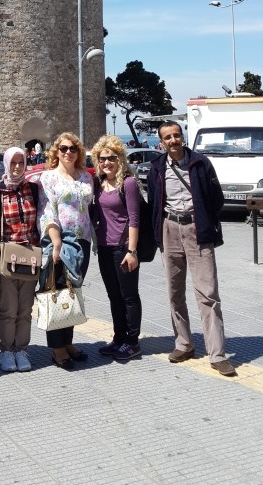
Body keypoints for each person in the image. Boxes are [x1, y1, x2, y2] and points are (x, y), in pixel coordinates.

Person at [147, 121, 237, 377]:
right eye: (168, 137)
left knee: (208, 294)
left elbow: (216, 198)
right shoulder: (157, 167)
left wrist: (204, 221)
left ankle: (217, 355)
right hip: (170, 229)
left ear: (182, 137)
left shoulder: (200, 163)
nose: (173, 140)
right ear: (161, 142)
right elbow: (154, 202)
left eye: (176, 135)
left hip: (198, 230)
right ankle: (184, 343)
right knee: (174, 292)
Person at [37, 132, 94, 369]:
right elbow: (46, 210)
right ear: (56, 152)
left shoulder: (86, 177)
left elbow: (90, 209)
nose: (68, 152)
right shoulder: (48, 177)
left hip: (83, 241)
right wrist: (56, 241)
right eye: (63, 149)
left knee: (72, 290)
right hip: (60, 241)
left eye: (73, 148)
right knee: (56, 290)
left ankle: (67, 342)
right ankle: (57, 347)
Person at [91, 136, 142, 360]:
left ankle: (132, 341)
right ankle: (119, 337)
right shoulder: (99, 183)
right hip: (104, 247)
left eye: (111, 158)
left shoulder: (128, 183)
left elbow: (134, 219)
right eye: (102, 159)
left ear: (120, 159)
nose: (106, 163)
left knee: (128, 296)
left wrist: (132, 251)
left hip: (123, 248)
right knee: (114, 296)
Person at [0, 147, 40, 373]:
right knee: (8, 309)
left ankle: (21, 349)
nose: (18, 167)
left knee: (25, 309)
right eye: (13, 163)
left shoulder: (33, 189)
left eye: (21, 162)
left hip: (30, 256)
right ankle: (6, 350)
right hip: (6, 257)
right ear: (6, 164)